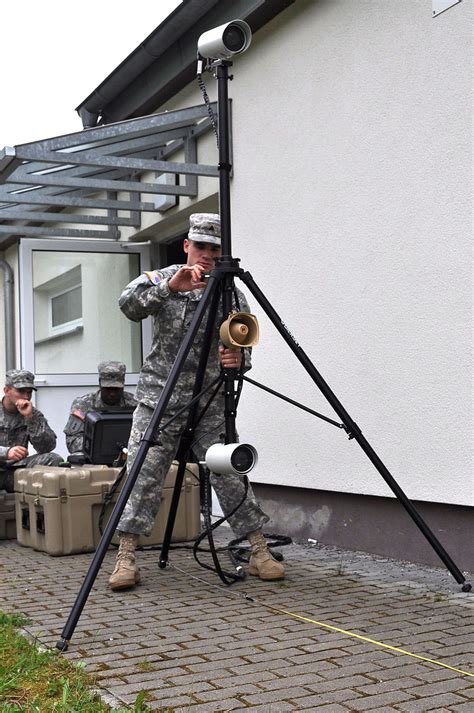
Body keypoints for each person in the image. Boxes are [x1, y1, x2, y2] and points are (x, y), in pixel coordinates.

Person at [109, 212, 285, 591]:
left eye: (214, 249)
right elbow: (128, 305)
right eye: (200, 247)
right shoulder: (166, 277)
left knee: (228, 469)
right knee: (144, 470)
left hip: (209, 398)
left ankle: (257, 550)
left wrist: (239, 361)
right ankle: (126, 556)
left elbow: (243, 344)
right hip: (161, 396)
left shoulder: (230, 292)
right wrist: (170, 288)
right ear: (187, 246)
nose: (206, 255)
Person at [0, 369, 63, 492]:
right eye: (20, 391)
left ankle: (41, 508)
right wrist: (6, 453)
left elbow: (47, 447)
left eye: (29, 392)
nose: (26, 397)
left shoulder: (33, 414)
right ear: (6, 391)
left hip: (17, 471)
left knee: (54, 460)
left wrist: (30, 419)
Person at [64, 361, 137, 455]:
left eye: (116, 389)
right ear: (100, 384)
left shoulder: (133, 404)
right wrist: (98, 445)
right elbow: (72, 441)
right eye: (108, 389)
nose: (112, 394)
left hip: (127, 453)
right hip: (94, 455)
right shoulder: (83, 405)